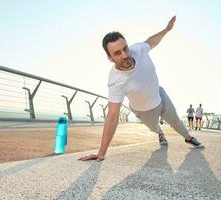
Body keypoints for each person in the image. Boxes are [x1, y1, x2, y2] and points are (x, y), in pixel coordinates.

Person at [78, 16, 204, 162]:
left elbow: (151, 42)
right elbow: (112, 116)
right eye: (117, 53)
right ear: (110, 58)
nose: (125, 55)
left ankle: (188, 138)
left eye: (125, 48)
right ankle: (160, 133)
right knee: (154, 127)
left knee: (175, 120)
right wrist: (101, 152)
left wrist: (167, 30)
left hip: (159, 93)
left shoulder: (138, 49)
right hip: (144, 109)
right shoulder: (115, 81)